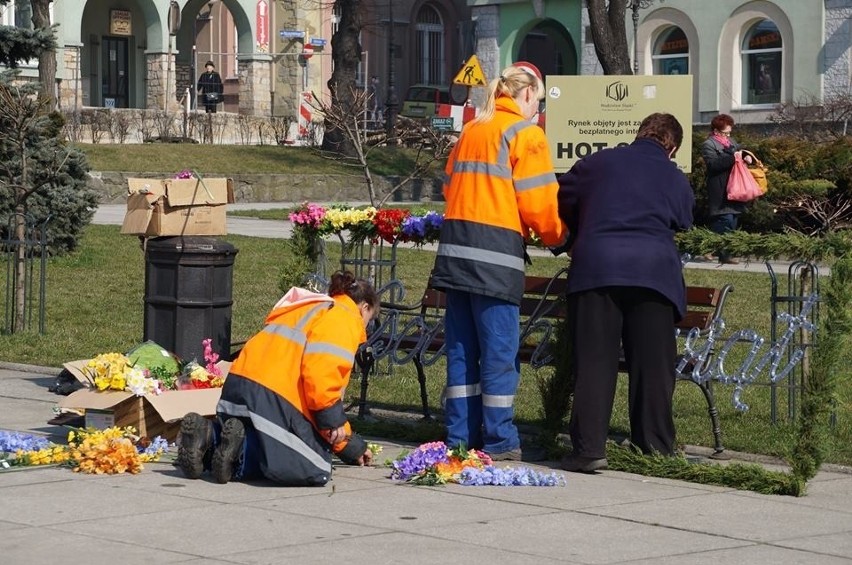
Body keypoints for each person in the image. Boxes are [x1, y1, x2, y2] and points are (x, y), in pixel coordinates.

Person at [430, 61, 568, 461]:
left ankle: (460, 438)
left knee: (461, 351)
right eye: (537, 102)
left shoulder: (473, 129)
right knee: (498, 353)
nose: (537, 110)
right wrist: (561, 238)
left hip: (455, 255)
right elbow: (540, 203)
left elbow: (447, 185)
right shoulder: (526, 135)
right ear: (526, 94)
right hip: (495, 258)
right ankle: (501, 440)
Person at [556, 113, 694, 473]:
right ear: (672, 147)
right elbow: (684, 218)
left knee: (595, 361)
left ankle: (588, 449)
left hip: (597, 268)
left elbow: (565, 195)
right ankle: (655, 447)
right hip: (654, 274)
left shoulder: (597, 162)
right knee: (653, 366)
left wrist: (580, 227)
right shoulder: (673, 176)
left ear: (639, 134)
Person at [176, 270, 379, 486]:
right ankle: (242, 450)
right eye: (370, 319)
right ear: (364, 306)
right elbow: (321, 375)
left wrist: (351, 446)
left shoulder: (309, 307)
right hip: (272, 397)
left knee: (251, 434)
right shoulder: (343, 317)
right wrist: (334, 421)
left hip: (237, 387)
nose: (366, 326)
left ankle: (209, 435)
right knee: (313, 466)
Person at [701, 113, 753, 265]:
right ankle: (715, 249)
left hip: (734, 187)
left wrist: (746, 156)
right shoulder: (708, 145)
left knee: (733, 220)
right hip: (719, 188)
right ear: (716, 131)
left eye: (729, 132)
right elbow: (713, 165)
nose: (728, 135)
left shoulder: (731, 142)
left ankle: (716, 249)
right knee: (725, 219)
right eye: (725, 132)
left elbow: (741, 151)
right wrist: (733, 158)